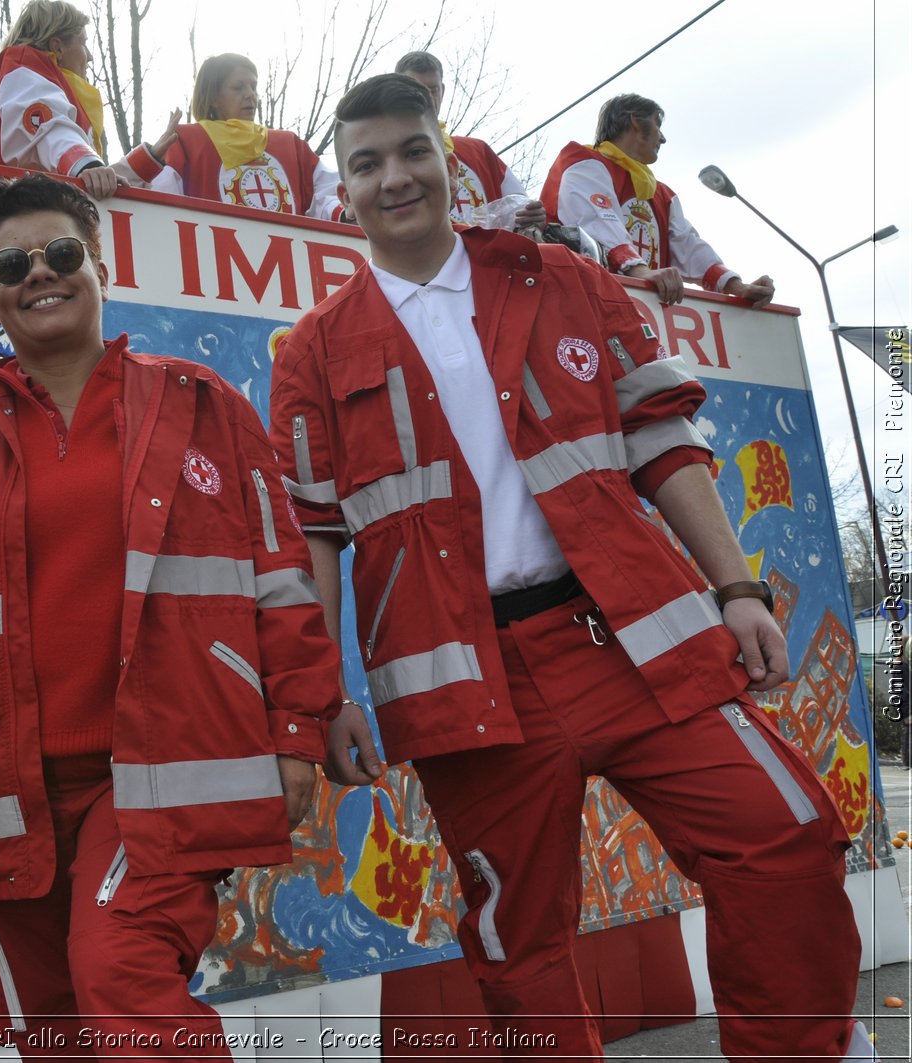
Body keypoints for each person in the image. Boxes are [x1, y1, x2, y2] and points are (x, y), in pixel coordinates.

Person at [269, 74, 870, 1060]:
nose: (394, 178)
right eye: (366, 163)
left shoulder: (560, 282)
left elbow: (663, 443)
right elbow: (311, 539)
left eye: (412, 152)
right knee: (518, 947)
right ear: (343, 190)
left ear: (448, 159)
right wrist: (317, 697)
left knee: (785, 839)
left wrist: (738, 588)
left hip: (630, 637)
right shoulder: (314, 350)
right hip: (466, 680)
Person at [0, 173, 341, 1058]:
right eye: (12, 263)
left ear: (98, 264)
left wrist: (296, 729)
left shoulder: (202, 405)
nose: (39, 274)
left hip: (157, 779)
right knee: (47, 1028)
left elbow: (280, 582)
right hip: (6, 793)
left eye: (61, 253)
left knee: (123, 979)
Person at [541, 94, 775, 307]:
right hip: (576, 301)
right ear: (635, 121)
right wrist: (640, 271)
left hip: (639, 307)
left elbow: (688, 246)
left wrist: (736, 286)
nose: (662, 138)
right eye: (657, 125)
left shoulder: (662, 195)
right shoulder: (584, 162)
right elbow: (595, 220)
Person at [122, 54, 343, 221]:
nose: (250, 94)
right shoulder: (186, 141)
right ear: (214, 98)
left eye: (253, 86)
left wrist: (344, 214)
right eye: (238, 87)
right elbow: (163, 207)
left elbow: (329, 195)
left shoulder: (292, 145)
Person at [0, 0, 127, 200]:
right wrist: (87, 164)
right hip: (16, 213)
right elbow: (46, 127)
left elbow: (98, 181)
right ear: (57, 47)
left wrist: (149, 158)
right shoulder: (23, 62)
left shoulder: (56, 92)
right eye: (83, 43)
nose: (89, 57)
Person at [393, 50, 544, 231]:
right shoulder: (377, 157)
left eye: (433, 90)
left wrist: (534, 219)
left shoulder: (478, 152)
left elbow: (521, 211)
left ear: (443, 90)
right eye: (417, 90)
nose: (427, 98)